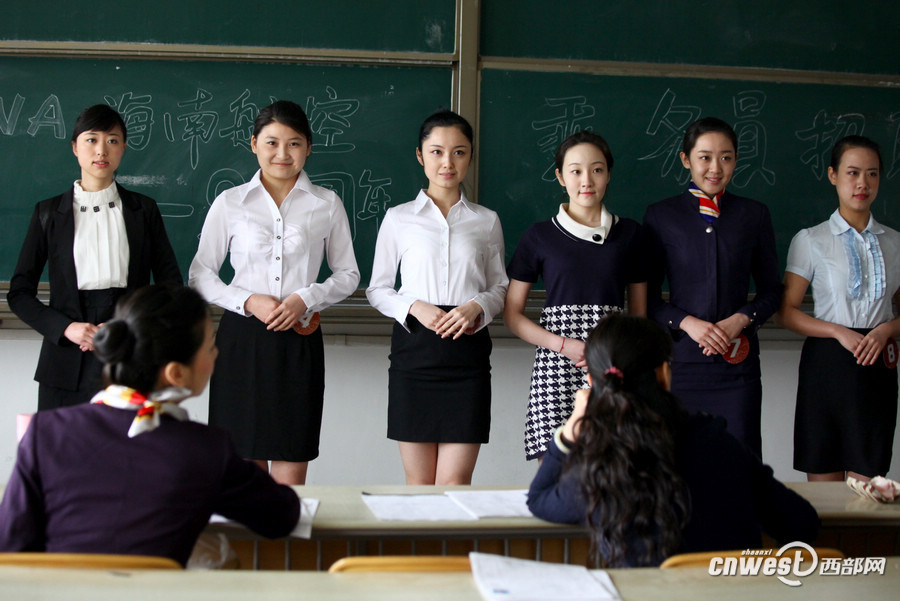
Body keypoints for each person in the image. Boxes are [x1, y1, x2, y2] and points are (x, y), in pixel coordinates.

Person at [0, 285, 300, 566]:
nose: (216, 353)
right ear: (176, 374)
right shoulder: (205, 448)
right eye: (210, 345)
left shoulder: (45, 433)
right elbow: (282, 515)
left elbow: (11, 544)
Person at [527, 314, 819, 568]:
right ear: (664, 374)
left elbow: (540, 500)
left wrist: (570, 431)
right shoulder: (719, 443)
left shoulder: (602, 463)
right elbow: (802, 523)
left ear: (592, 381)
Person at [189, 100, 359, 486]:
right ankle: (249, 547)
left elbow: (348, 274)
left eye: (294, 143)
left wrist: (307, 297)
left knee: (291, 458)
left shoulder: (327, 204)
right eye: (271, 143)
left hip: (298, 337)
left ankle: (286, 543)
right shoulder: (230, 202)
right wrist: (247, 299)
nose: (283, 154)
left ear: (309, 147)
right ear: (253, 144)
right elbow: (200, 274)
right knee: (242, 465)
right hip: (240, 340)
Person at [7, 104, 182, 411]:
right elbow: (20, 293)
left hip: (129, 352)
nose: (102, 150)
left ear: (123, 148)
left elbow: (171, 287)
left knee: (126, 455)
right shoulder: (48, 213)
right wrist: (66, 328)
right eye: (91, 139)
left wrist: (135, 328)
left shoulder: (143, 210)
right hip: (65, 356)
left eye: (113, 140)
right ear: (75, 147)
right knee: (65, 454)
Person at [366, 110, 508, 485]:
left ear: (470, 157)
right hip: (415, 353)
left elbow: (500, 287)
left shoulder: (486, 220)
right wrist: (413, 306)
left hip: (468, 354)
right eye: (437, 152)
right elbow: (377, 289)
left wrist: (477, 306)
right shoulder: (398, 218)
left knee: (455, 484)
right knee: (418, 485)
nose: (448, 162)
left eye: (459, 152)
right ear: (420, 155)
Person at [642, 117, 781, 457]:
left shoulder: (754, 214)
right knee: (679, 464)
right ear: (686, 159)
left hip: (738, 368)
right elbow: (646, 299)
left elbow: (772, 292)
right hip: (681, 365)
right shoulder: (661, 216)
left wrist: (740, 319)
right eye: (705, 157)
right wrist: (688, 323)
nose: (715, 168)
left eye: (726, 157)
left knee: (740, 465)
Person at [505, 130, 647, 461]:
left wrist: (617, 356)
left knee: (612, 469)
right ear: (560, 176)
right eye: (576, 170)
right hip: (556, 361)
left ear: (608, 174)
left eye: (597, 170)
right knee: (555, 470)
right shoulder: (539, 236)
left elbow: (639, 315)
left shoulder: (630, 234)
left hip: (612, 364)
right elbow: (512, 314)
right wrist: (563, 345)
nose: (587, 180)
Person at [779, 135, 900, 482]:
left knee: (869, 481)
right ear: (833, 175)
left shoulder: (895, 243)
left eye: (872, 174)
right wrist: (836, 331)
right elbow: (786, 312)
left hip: (876, 361)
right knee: (824, 477)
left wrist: (887, 329)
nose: (862, 183)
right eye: (852, 172)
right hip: (827, 361)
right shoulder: (811, 239)